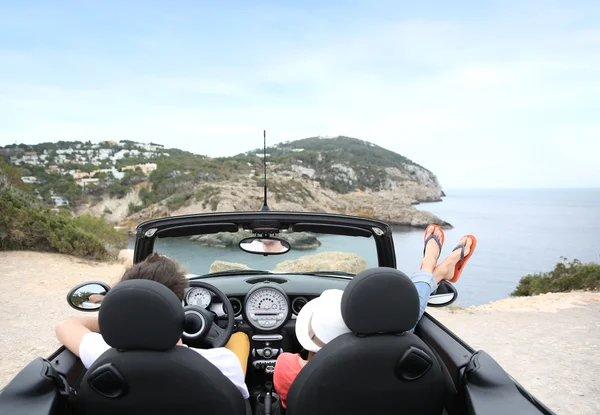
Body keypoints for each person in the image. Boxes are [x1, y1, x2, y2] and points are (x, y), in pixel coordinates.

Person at [273, 225, 477, 408]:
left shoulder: (287, 368)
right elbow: (400, 322)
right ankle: (432, 269)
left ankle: (433, 270)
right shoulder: (389, 365)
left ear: (308, 330)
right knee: (401, 325)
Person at [55, 253, 251, 399]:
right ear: (178, 309)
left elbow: (66, 325)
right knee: (240, 338)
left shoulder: (102, 356)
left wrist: (120, 316)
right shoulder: (223, 363)